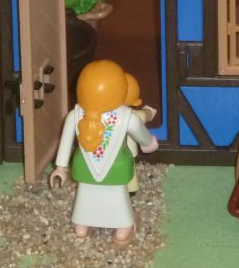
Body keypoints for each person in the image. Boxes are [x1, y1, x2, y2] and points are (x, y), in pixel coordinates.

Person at [49, 60, 158, 246]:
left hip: (85, 168)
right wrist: (150, 144)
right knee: (117, 196)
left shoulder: (75, 115)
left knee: (86, 194)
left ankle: (82, 226)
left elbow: (65, 142)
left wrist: (60, 167)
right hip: (117, 168)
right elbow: (145, 139)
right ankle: (123, 228)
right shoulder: (127, 117)